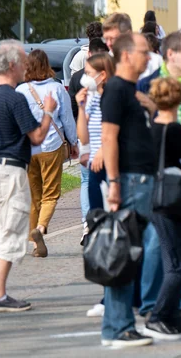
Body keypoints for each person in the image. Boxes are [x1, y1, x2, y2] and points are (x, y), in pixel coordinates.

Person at [136, 32, 181, 325]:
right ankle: (151, 302)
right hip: (160, 174)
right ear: (171, 55)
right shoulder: (146, 85)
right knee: (157, 241)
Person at [0, 40, 57, 313]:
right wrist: (48, 111)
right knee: (11, 232)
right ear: (12, 64)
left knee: (2, 230)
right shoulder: (14, 98)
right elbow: (37, 136)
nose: (27, 65)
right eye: (24, 60)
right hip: (10, 170)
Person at [94, 32, 158, 347]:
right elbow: (108, 138)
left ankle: (118, 324)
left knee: (130, 254)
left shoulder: (130, 90)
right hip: (130, 181)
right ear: (127, 55)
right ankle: (119, 327)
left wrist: (148, 104)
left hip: (140, 180)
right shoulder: (117, 89)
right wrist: (115, 183)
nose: (149, 57)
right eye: (144, 51)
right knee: (124, 254)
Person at [143, 77, 181, 340]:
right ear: (179, 100)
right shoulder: (175, 130)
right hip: (173, 201)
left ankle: (172, 315)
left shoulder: (150, 129)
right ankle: (159, 315)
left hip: (156, 200)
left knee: (177, 262)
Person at [15, 50, 77, 258]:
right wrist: (74, 141)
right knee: (51, 193)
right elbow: (67, 118)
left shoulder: (21, 90)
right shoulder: (57, 88)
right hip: (51, 144)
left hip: (28, 147)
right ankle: (40, 229)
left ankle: (35, 244)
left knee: (34, 195)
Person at [75, 52, 114, 320]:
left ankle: (114, 294)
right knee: (99, 228)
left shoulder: (113, 95)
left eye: (89, 73)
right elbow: (84, 135)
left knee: (114, 230)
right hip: (94, 167)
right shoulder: (90, 98)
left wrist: (103, 151)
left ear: (103, 74)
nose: (85, 78)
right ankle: (108, 292)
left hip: (110, 166)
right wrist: (80, 107)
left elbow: (114, 133)